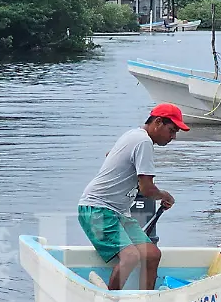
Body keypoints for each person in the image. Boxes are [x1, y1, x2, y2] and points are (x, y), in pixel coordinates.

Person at [78, 104, 188, 290]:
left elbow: (110, 156)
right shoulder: (143, 142)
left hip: (118, 213)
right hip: (97, 210)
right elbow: (146, 189)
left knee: (152, 254)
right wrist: (164, 196)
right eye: (171, 130)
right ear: (158, 122)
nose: (173, 137)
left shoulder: (132, 135)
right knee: (131, 256)